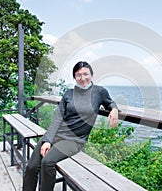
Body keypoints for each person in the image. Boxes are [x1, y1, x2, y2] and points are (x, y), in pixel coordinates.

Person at [23, 61, 119, 191]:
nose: (82, 78)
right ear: (74, 77)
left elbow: (110, 102)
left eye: (86, 74)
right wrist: (47, 140)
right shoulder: (69, 93)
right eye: (78, 75)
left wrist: (114, 109)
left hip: (74, 140)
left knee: (47, 162)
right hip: (55, 135)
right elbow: (58, 119)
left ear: (92, 75)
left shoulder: (99, 92)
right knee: (32, 167)